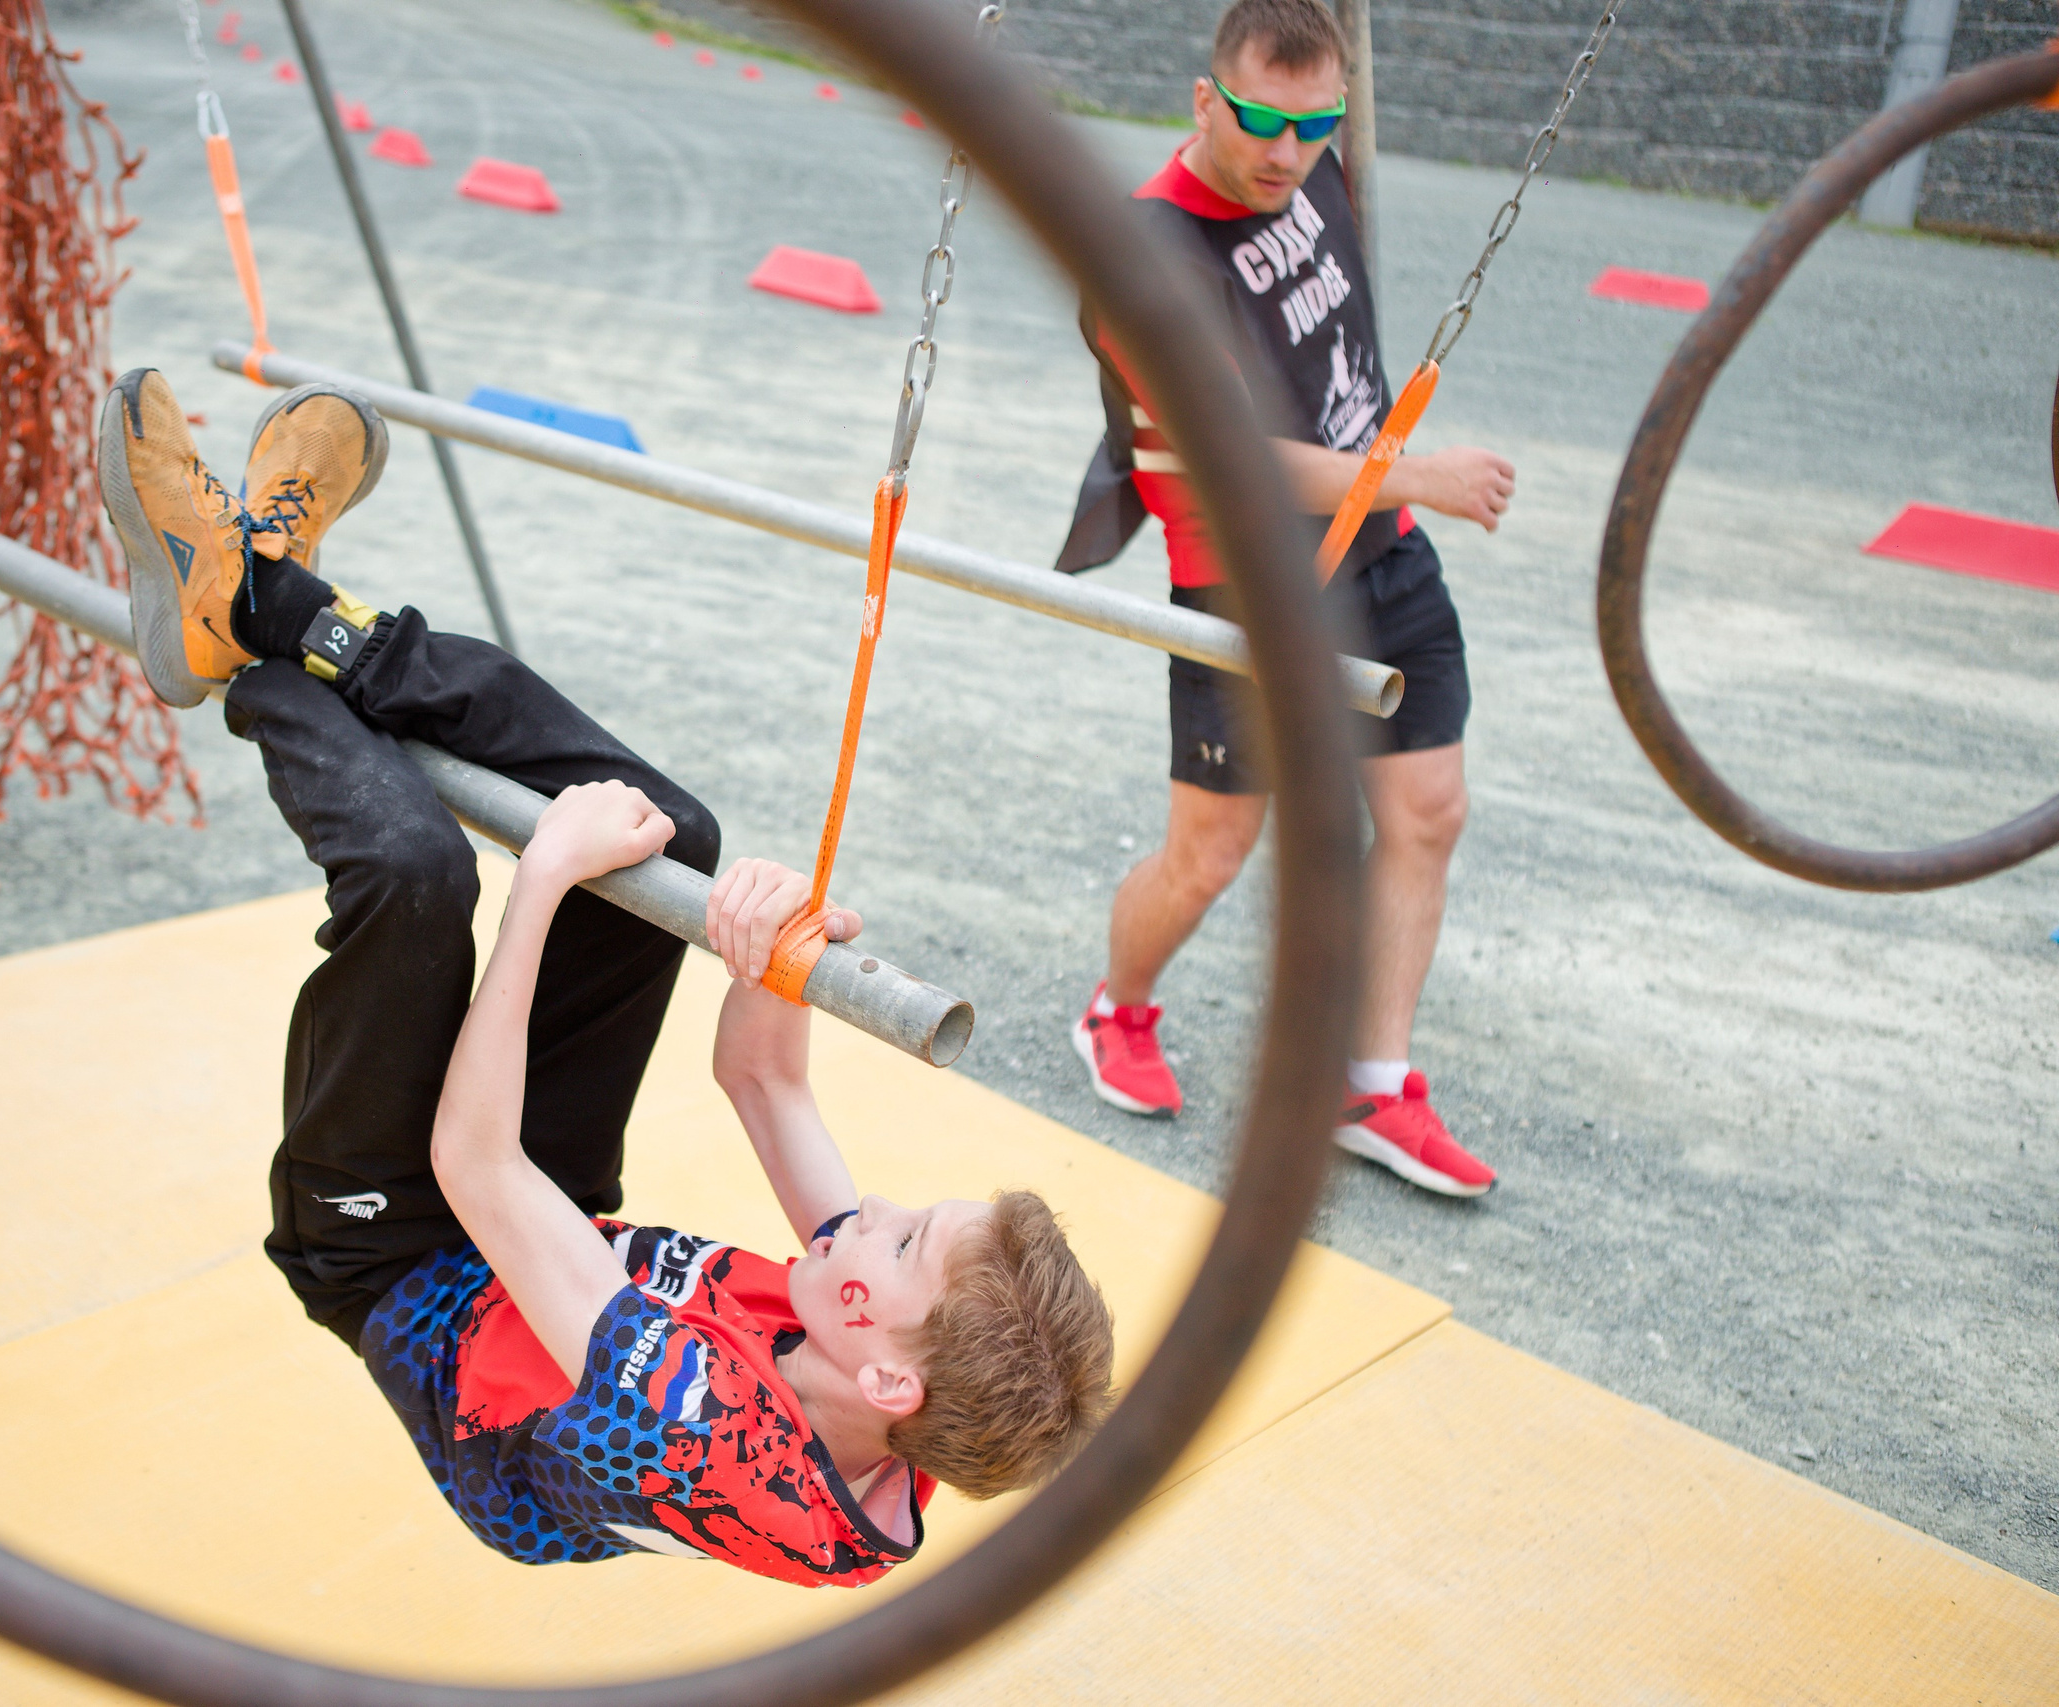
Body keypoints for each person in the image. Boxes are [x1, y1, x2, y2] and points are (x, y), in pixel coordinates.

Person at [96, 368, 1114, 1585]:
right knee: (673, 846)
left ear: (881, 1361)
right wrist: (772, 949)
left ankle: (246, 624)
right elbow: (763, 1082)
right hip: (554, 1221)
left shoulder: (694, 1422)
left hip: (395, 1255)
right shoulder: (914, 1367)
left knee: (422, 879)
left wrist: (544, 883)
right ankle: (292, 608)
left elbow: (471, 1167)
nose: (868, 1217)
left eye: (894, 1240)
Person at [1053, 0, 1514, 1198]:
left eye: (1315, 125)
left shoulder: (1315, 165)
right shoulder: (1149, 259)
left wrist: (1395, 494)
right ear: (1204, 100)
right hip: (1248, 576)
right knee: (1211, 852)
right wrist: (1419, 471)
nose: (1286, 151)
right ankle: (1120, 1008)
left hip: (1381, 543)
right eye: (1260, 120)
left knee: (1425, 811)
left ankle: (1370, 1084)